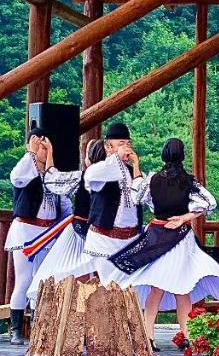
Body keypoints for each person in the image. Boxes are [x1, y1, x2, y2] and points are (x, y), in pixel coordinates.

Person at [107, 139, 219, 346]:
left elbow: (137, 196)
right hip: (180, 238)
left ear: (163, 156)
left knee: (156, 288)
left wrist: (136, 166)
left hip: (157, 236)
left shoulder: (154, 179)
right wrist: (184, 218)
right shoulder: (189, 181)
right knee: (182, 289)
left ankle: (148, 335)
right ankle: (186, 335)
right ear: (182, 156)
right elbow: (210, 202)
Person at [6, 129, 77, 344]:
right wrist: (30, 153)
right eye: (39, 146)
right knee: (24, 280)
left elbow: (64, 204)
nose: (43, 151)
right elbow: (16, 177)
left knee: (43, 281)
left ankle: (40, 326)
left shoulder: (52, 176)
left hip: (48, 233)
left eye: (46, 147)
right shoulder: (25, 170)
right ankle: (16, 329)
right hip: (26, 233)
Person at [24, 140, 106, 308]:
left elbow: (53, 179)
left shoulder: (82, 177)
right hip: (102, 237)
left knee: (76, 276)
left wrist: (51, 153)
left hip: (81, 234)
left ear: (89, 159)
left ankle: (77, 316)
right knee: (100, 277)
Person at [84, 123, 144, 283]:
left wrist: (136, 165)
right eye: (121, 144)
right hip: (105, 240)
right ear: (108, 146)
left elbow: (143, 194)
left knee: (131, 290)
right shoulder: (102, 170)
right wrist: (114, 156)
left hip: (130, 239)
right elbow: (89, 176)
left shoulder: (133, 173)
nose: (126, 148)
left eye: (128, 144)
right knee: (110, 288)